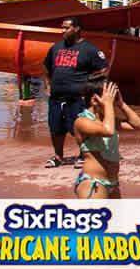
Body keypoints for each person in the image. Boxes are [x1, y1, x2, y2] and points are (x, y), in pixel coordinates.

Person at [43, 16, 109, 168]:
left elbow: (104, 69)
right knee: (55, 128)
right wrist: (47, 84)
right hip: (56, 97)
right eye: (62, 28)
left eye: (66, 28)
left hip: (78, 98)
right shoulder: (56, 48)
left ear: (77, 28)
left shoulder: (90, 49)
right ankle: (58, 157)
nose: (63, 31)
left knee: (80, 127)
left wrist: (90, 88)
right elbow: (46, 67)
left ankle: (83, 155)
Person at [72, 76, 140, 198]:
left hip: (113, 183)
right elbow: (108, 131)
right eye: (110, 98)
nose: (112, 103)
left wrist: (121, 104)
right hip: (93, 183)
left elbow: (138, 125)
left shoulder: (107, 120)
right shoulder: (82, 121)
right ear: (95, 100)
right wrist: (108, 105)